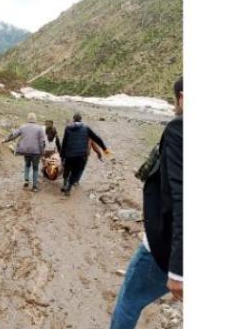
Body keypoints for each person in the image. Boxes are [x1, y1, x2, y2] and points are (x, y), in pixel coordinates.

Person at [109, 77, 183, 329]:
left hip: (163, 249)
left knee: (128, 301)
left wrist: (178, 269)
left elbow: (181, 197)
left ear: (182, 98)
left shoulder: (179, 130)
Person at [59, 112, 111, 195]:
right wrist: (105, 149)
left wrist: (62, 157)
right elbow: (97, 138)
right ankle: (68, 188)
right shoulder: (86, 128)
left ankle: (65, 184)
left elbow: (64, 143)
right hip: (81, 157)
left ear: (73, 119)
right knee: (75, 172)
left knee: (67, 169)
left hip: (69, 155)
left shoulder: (67, 128)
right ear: (81, 119)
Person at [2, 113, 46, 192]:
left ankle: (26, 181)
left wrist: (5, 140)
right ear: (35, 120)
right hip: (36, 152)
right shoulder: (40, 128)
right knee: (35, 168)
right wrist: (42, 152)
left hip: (26, 150)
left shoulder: (23, 127)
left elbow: (14, 135)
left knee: (27, 164)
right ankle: (35, 186)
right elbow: (42, 142)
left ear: (27, 119)